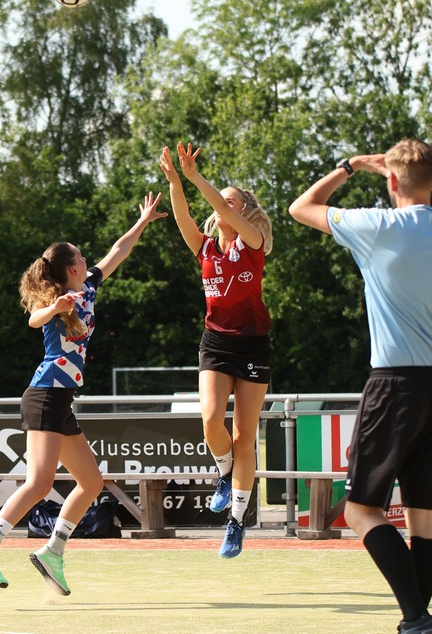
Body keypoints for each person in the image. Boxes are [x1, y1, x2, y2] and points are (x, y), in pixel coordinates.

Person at [288, 139, 432, 634]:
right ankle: (417, 622)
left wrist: (351, 166)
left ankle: (418, 617)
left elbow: (301, 208)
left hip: (395, 386)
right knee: (425, 519)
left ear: (392, 180)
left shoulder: (375, 226)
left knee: (361, 511)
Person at [0, 191, 166, 596]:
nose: (88, 261)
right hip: (44, 395)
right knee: (39, 483)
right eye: (82, 257)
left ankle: (53, 552)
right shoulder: (57, 302)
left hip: (61, 400)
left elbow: (119, 251)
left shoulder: (88, 287)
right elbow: (34, 320)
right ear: (73, 267)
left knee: (90, 482)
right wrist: (56, 307)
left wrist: (142, 221)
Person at [159, 142, 274, 559]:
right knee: (210, 420)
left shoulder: (253, 241)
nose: (223, 205)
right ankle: (225, 474)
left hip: (254, 345)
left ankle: (236, 522)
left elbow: (221, 209)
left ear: (244, 210)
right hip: (216, 342)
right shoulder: (206, 248)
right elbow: (182, 217)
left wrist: (194, 177)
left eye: (231, 200)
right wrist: (176, 182)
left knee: (244, 437)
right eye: (222, 199)